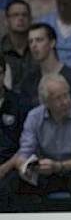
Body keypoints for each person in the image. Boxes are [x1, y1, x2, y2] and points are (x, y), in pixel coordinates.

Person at [5, 73, 71, 211]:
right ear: (46, 102)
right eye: (58, 98)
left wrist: (58, 166)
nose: (65, 101)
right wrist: (25, 167)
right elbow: (25, 152)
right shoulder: (35, 117)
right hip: (44, 171)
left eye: (66, 95)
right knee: (14, 181)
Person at [19, 23, 71, 106]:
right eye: (30, 41)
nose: (33, 45)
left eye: (39, 40)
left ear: (52, 42)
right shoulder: (28, 82)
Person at [0, 54, 31, 211]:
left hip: (12, 165)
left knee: (9, 185)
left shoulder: (21, 104)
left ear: (4, 74)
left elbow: (27, 143)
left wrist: (6, 166)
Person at [1, 0, 31, 91]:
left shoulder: (40, 47)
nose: (20, 18)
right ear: (6, 21)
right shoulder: (0, 49)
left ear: (31, 19)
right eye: (15, 15)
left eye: (24, 15)